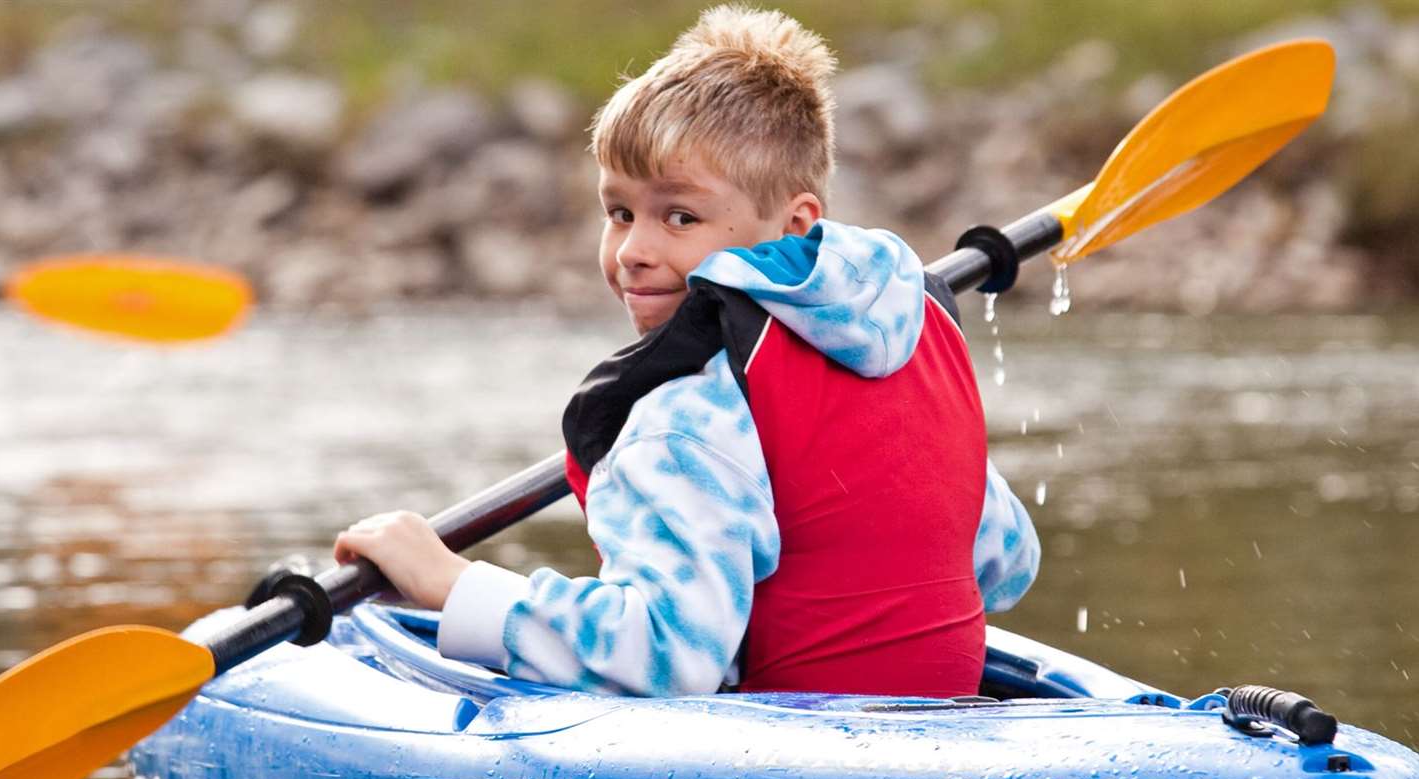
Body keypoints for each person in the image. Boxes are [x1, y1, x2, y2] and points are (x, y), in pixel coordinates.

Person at [335, 5, 1038, 697]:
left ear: (793, 225)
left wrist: (451, 584)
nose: (634, 252)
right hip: (940, 728)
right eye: (619, 213)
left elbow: (665, 660)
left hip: (788, 775)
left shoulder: (687, 415)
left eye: (681, 217)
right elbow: (1005, 564)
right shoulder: (921, 346)